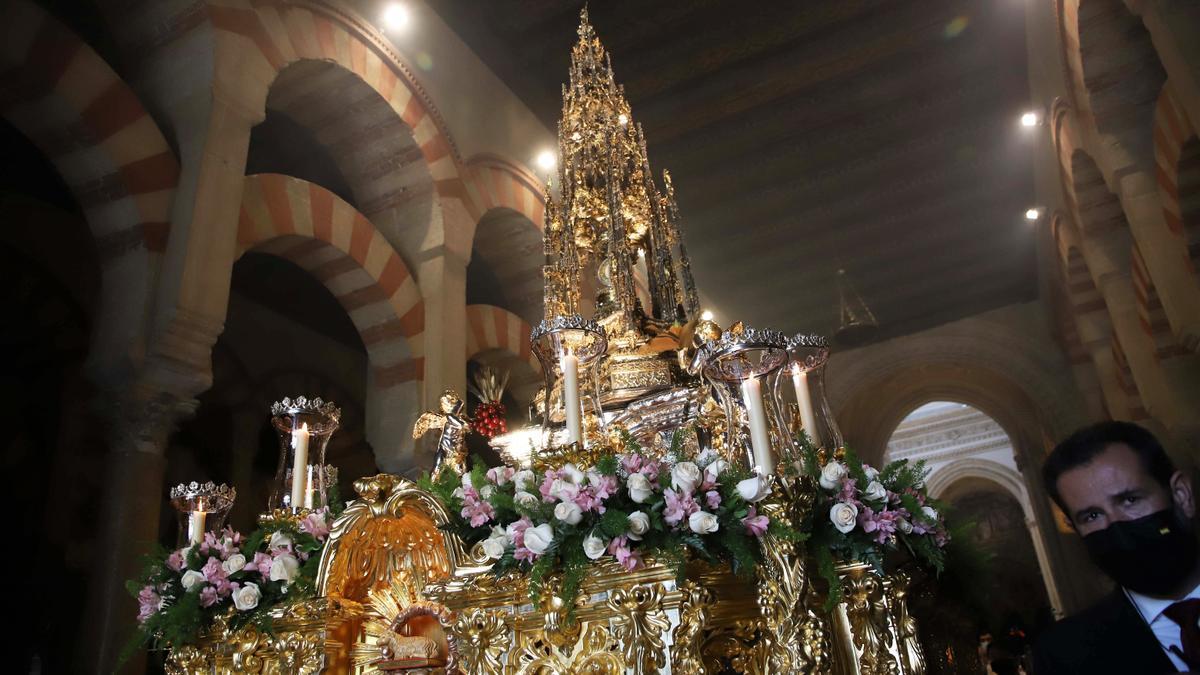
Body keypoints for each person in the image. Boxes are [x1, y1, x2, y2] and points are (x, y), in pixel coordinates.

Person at [1033, 421, 1200, 674]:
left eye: (1130, 500)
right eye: (1092, 516)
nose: (1117, 528)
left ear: (1181, 494)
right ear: (1073, 527)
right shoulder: (1065, 655)